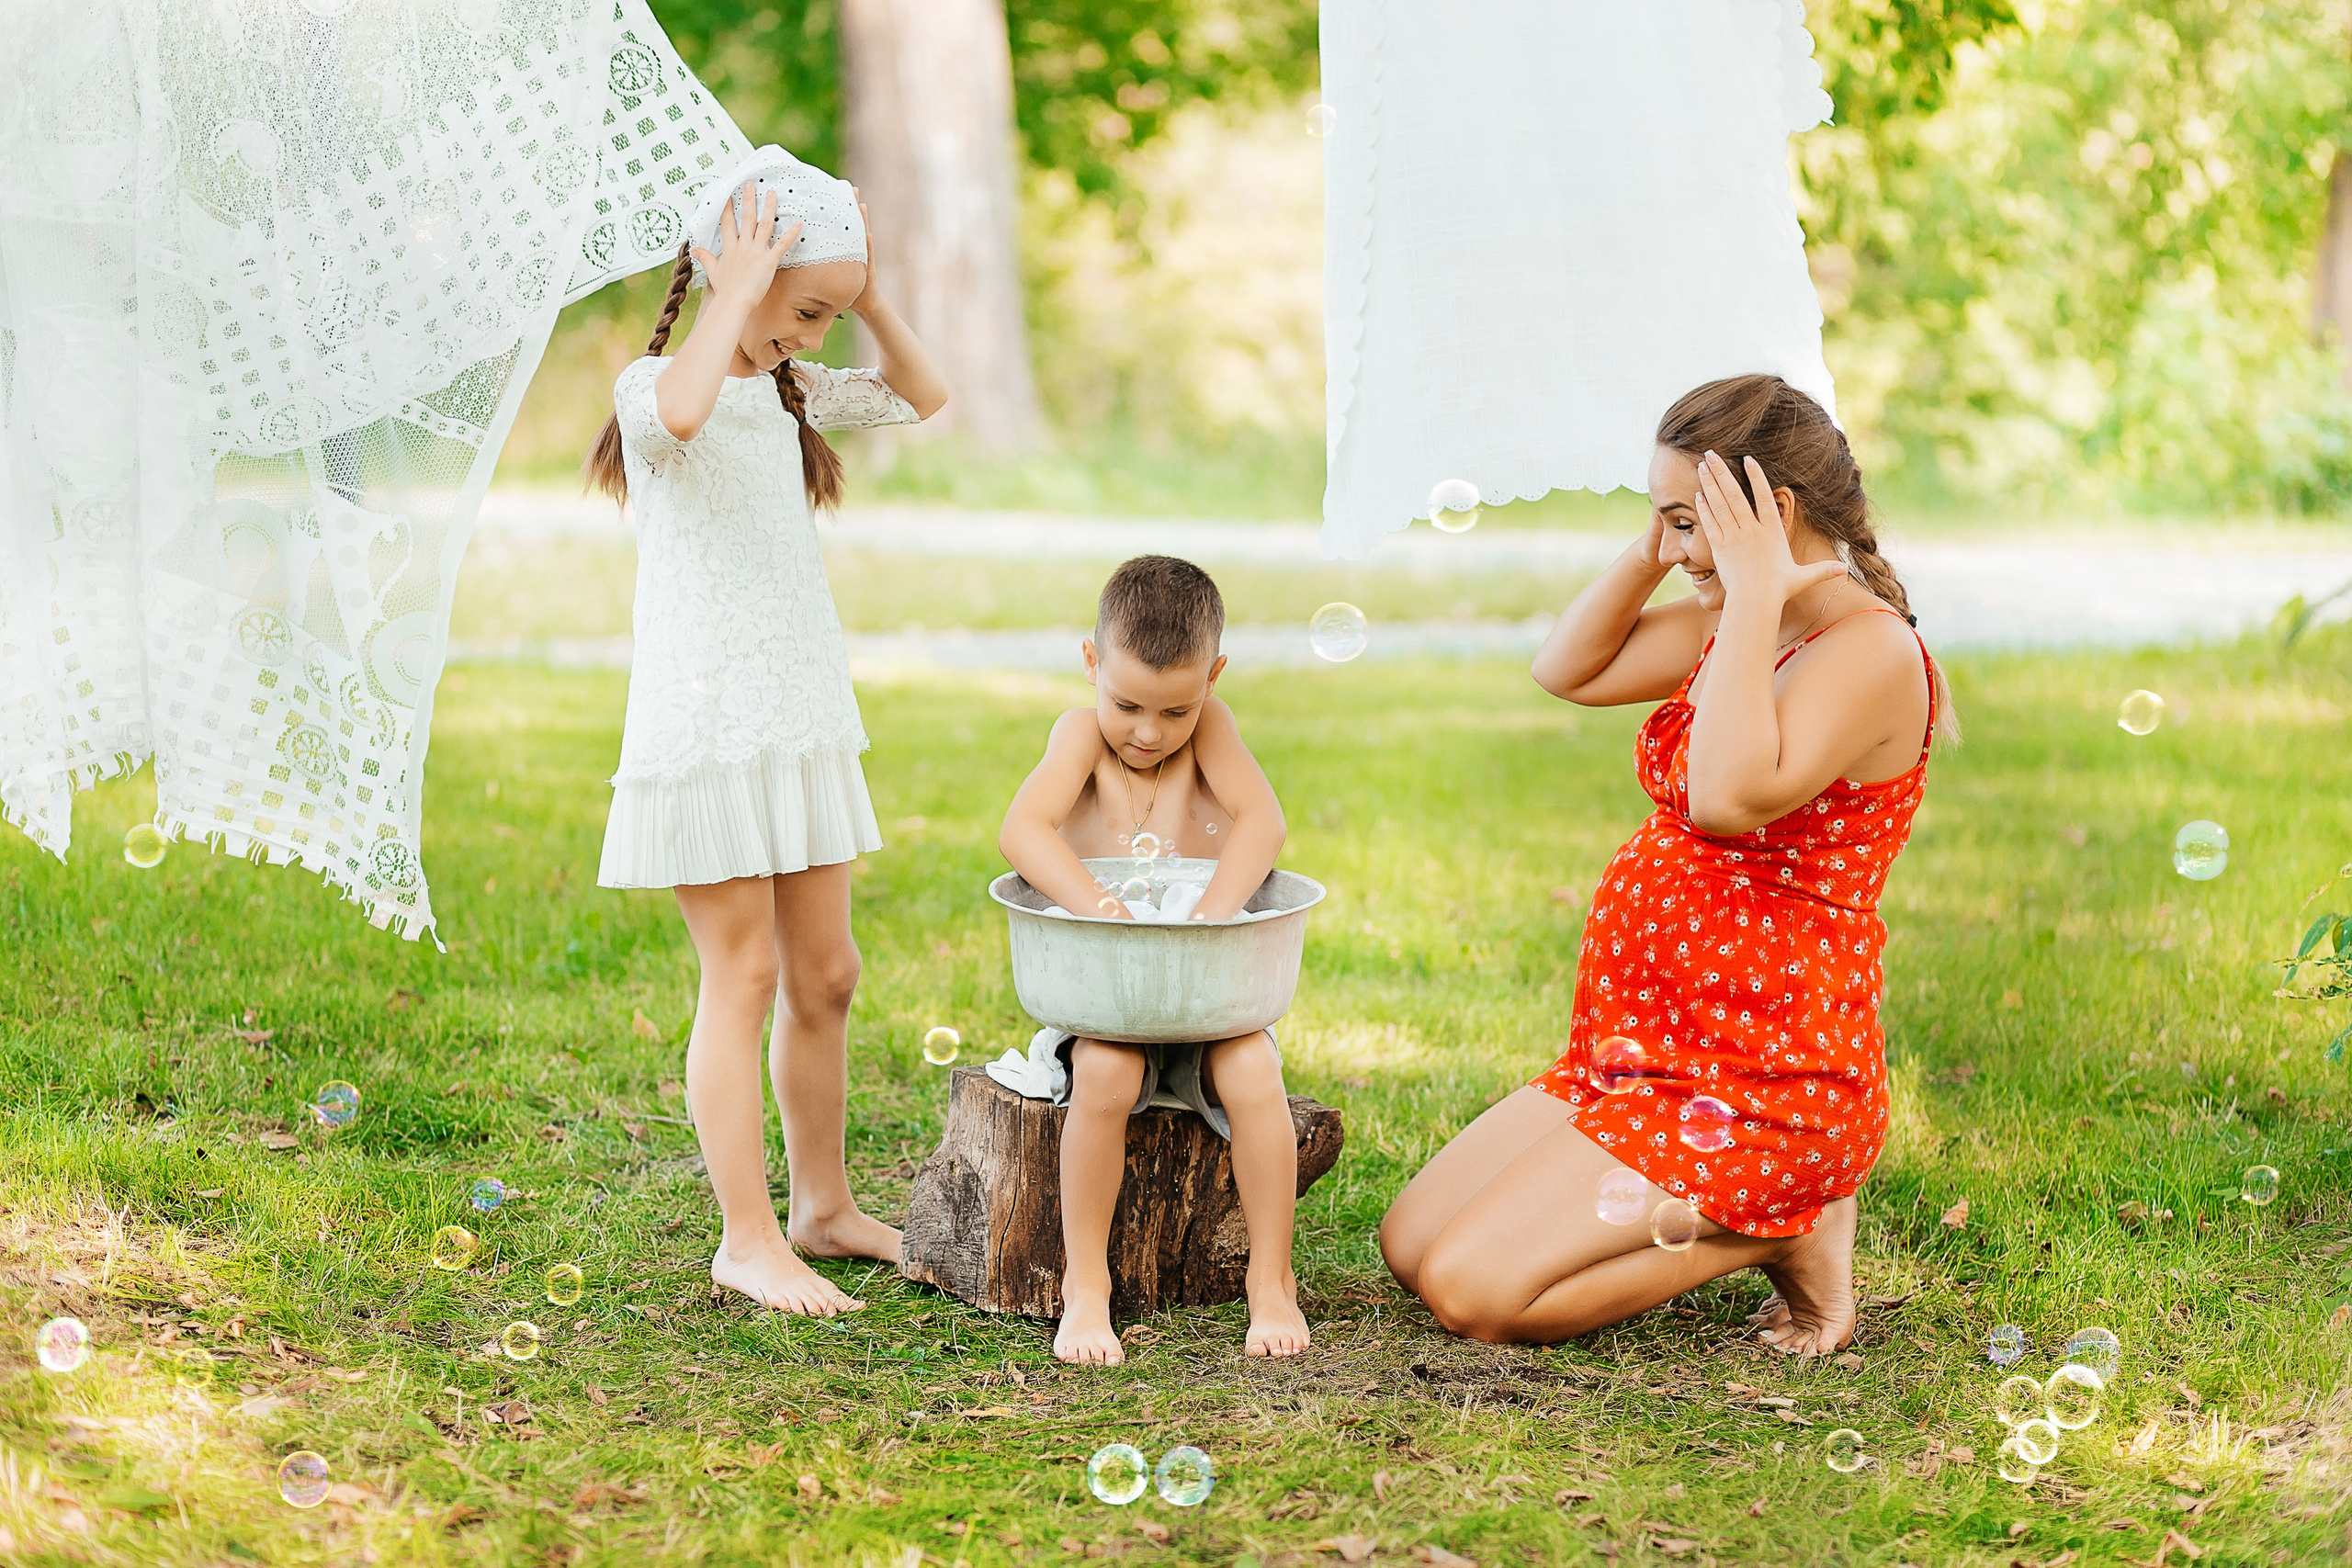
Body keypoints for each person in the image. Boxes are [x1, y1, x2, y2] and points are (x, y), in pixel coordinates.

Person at [1379, 374, 1953, 1353]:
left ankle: (1791, 1222)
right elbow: (1568, 669)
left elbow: (1731, 794)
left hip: (1761, 1080)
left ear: (1768, 516)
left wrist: (1752, 589)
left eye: (1691, 523)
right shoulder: (1739, 622)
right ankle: (1756, 1215)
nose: (1678, 550)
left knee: (1472, 1295)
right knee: (1409, 1244)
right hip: (1646, 1055)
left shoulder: (1870, 653)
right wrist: (1664, 547)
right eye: (1665, 523)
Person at [583, 147, 948, 1317]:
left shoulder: (790, 392)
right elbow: (687, 405)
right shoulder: (653, 392)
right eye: (803, 310)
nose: (811, 334)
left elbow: (924, 396)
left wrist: (869, 297)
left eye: (825, 316)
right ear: (730, 272)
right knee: (739, 975)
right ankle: (745, 1238)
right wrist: (733, 293)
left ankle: (822, 1205)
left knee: (826, 975)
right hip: (709, 727)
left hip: (796, 720)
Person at [996, 557, 1308, 1365]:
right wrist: (1101, 908)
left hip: (1205, 996)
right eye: (1127, 703)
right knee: (1106, 1072)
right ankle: (1087, 1286)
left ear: (1214, 676)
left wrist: (1209, 920)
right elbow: (1023, 834)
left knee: (1253, 1073)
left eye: (1176, 707)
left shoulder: (1213, 732)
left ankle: (1272, 1282)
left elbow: (1261, 825)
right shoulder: (1078, 739)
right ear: (1092, 662)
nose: (1147, 730)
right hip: (1107, 992)